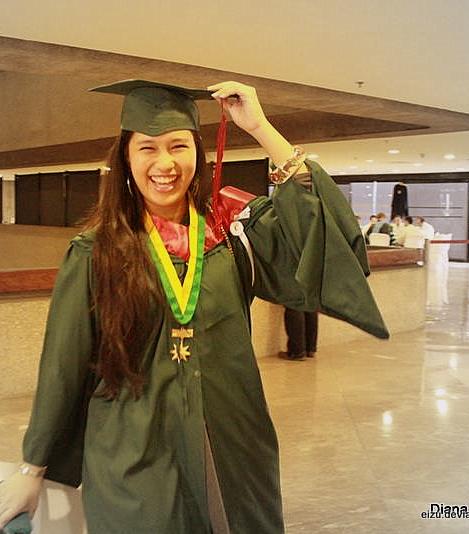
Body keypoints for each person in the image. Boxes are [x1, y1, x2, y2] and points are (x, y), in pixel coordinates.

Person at [0, 79, 388, 534]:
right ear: (126, 158)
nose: (165, 163)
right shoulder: (95, 252)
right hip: (135, 453)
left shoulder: (231, 236)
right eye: (147, 148)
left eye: (178, 146)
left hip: (230, 442)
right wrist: (33, 468)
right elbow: (63, 368)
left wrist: (260, 128)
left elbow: (324, 240)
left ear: (198, 156)